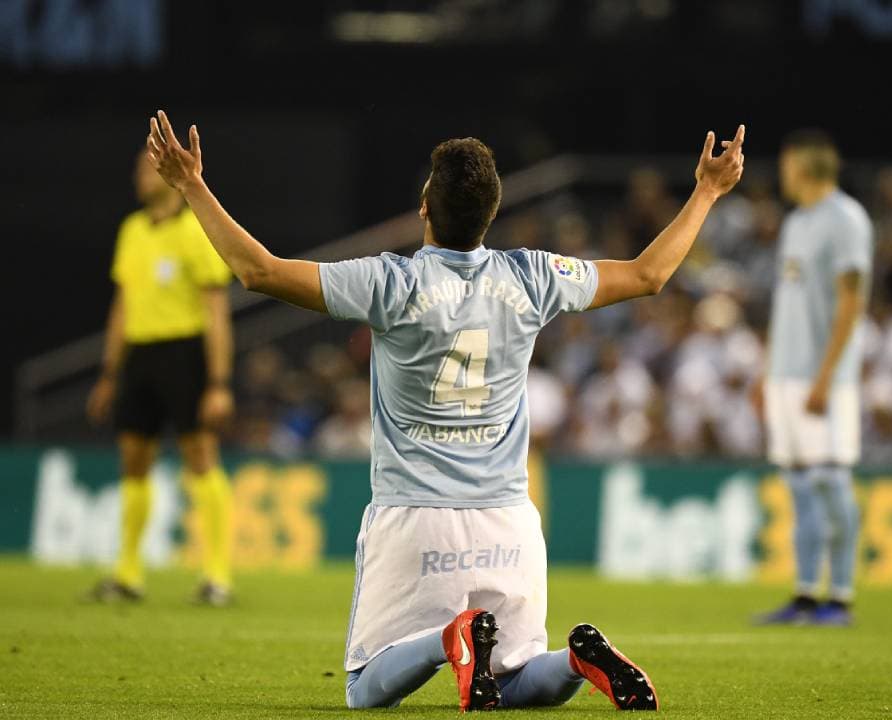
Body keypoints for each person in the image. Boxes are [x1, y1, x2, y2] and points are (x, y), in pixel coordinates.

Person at [144, 110, 744, 710]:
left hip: (413, 515)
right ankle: (575, 660)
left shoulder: (390, 283)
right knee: (518, 679)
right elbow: (648, 274)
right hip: (508, 520)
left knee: (362, 690)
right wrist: (707, 190)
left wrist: (192, 185)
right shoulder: (534, 276)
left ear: (425, 207)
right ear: (491, 213)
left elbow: (258, 272)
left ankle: (447, 640)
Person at [85, 149, 236, 606]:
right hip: (140, 356)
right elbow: (122, 305)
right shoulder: (131, 230)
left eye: (145, 168)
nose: (138, 175)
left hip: (183, 353)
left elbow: (215, 311)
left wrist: (218, 382)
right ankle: (128, 574)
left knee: (199, 455)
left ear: (168, 175)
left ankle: (216, 576)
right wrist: (111, 372)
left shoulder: (195, 230)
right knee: (133, 458)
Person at [755, 129, 872, 626]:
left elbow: (852, 300)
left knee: (832, 482)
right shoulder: (797, 223)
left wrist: (827, 375)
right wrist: (770, 373)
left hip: (825, 377)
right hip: (787, 375)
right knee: (800, 487)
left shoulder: (846, 218)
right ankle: (805, 596)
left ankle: (840, 598)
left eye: (785, 164)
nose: (782, 173)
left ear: (801, 165)